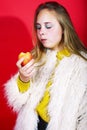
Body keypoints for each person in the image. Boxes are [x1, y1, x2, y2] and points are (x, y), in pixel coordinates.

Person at [4, 1, 87, 130]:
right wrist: (23, 79)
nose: (41, 32)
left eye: (48, 26)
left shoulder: (81, 65)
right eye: (38, 27)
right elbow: (18, 101)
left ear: (64, 28)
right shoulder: (36, 58)